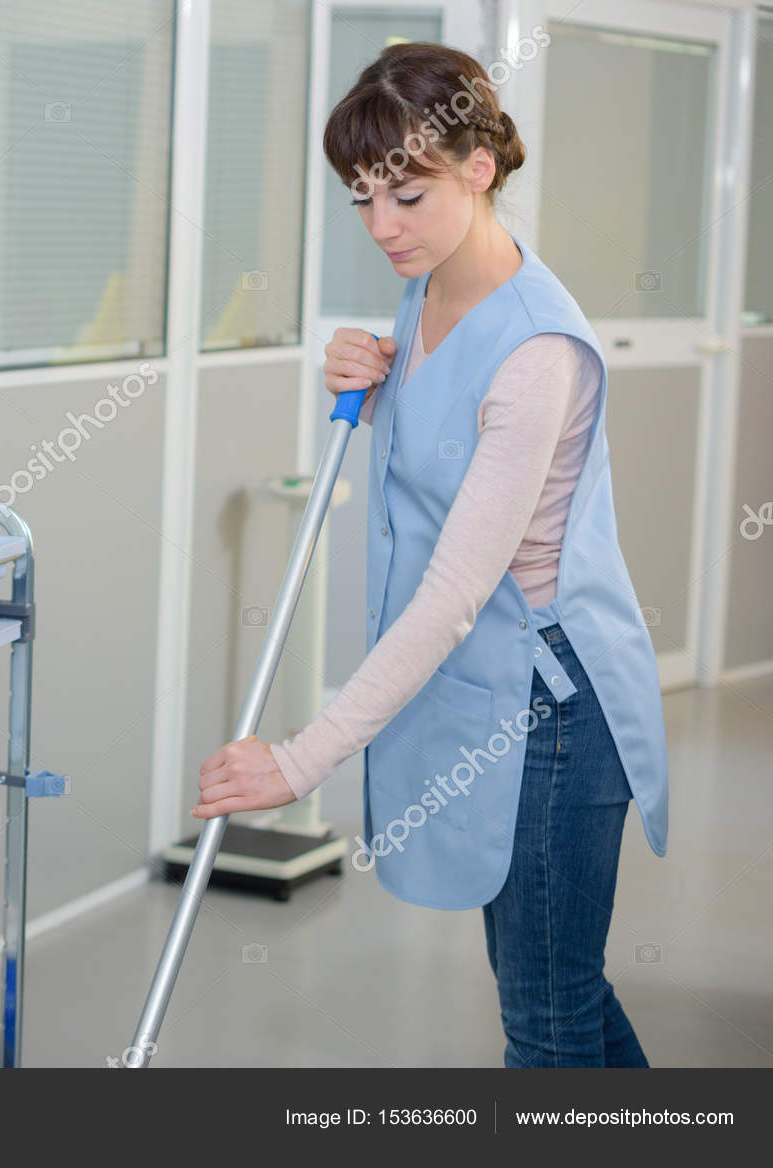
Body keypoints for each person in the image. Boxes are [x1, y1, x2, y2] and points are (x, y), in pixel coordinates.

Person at [190, 41, 668, 1068]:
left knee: (544, 1018)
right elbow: (443, 437)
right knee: (561, 991)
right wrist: (366, 378)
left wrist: (297, 762)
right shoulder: (434, 286)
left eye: (406, 195)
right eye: (363, 199)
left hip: (554, 706)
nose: (382, 227)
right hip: (495, 681)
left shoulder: (537, 351)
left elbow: (455, 593)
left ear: (478, 168)